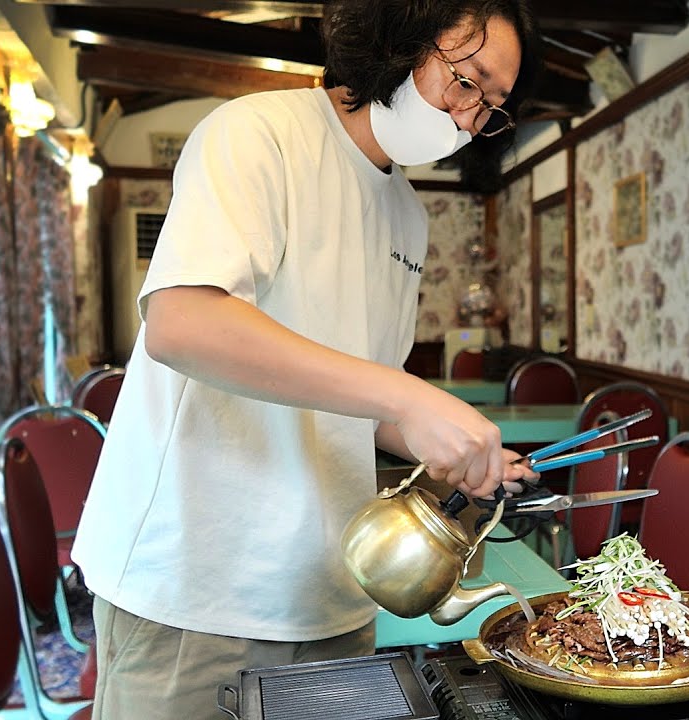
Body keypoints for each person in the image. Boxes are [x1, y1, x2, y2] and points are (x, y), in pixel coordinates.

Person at [71, 1, 542, 717]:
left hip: (332, 596)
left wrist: (437, 431)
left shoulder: (407, 215)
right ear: (399, 38)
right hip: (195, 591)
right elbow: (181, 321)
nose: (468, 118)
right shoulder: (256, 134)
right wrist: (404, 399)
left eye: (492, 108)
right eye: (466, 81)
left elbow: (362, 400)